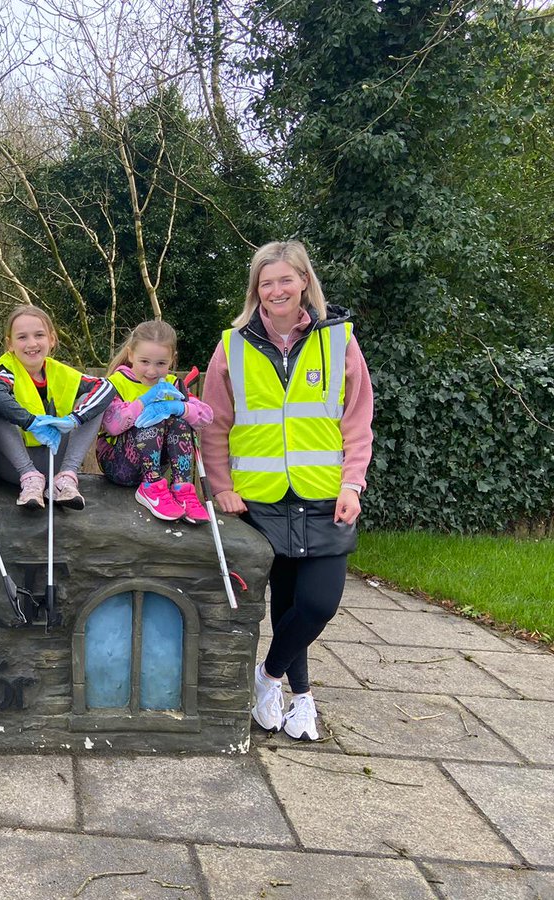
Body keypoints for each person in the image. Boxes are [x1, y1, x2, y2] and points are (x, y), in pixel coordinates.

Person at [200, 241, 373, 741]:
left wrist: (352, 484)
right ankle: (301, 699)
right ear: (256, 289)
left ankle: (267, 677)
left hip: (325, 495)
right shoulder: (232, 344)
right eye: (265, 282)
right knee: (285, 601)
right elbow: (214, 425)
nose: (276, 290)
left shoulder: (339, 340)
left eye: (285, 280)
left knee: (318, 603)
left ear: (304, 283)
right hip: (259, 497)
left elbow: (357, 419)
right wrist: (222, 487)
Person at [0, 305, 114, 510]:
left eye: (39, 335)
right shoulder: (5, 368)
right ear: (10, 344)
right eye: (22, 337)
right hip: (15, 466)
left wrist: (75, 419)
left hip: (55, 460)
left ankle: (66, 478)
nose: (32, 343)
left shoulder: (58, 371)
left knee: (93, 403)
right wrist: (31, 422)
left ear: (52, 339)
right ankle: (30, 478)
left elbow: (106, 386)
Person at [96, 320, 214, 523]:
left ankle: (182, 489)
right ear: (131, 354)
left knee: (179, 419)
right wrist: (144, 402)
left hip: (157, 465)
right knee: (153, 416)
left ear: (172, 360)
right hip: (119, 464)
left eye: (160, 363)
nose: (152, 371)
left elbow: (206, 417)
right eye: (144, 362)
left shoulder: (173, 385)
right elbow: (113, 425)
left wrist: (180, 407)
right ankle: (150, 487)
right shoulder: (116, 383)